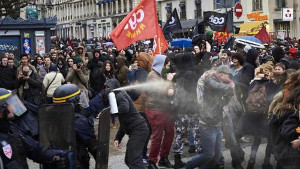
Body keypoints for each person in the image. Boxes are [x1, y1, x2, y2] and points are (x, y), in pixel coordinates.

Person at [0, 88, 68, 169]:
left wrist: (54, 155)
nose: (14, 107)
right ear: (2, 109)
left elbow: (32, 147)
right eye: (9, 104)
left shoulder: (11, 129)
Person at [187, 65, 234, 169]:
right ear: (221, 74)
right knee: (209, 154)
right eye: (228, 76)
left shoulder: (220, 84)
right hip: (207, 124)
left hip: (217, 124)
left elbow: (223, 102)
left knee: (217, 156)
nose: (229, 79)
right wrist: (229, 87)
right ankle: (188, 166)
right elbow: (214, 85)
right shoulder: (210, 79)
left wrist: (229, 94)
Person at [53, 84, 104, 168]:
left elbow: (86, 110)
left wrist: (101, 96)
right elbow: (94, 147)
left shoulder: (51, 115)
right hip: (76, 163)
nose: (81, 101)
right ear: (73, 102)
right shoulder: (78, 122)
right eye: (78, 99)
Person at [104, 78, 149, 169]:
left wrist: (112, 111)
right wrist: (118, 138)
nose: (106, 89)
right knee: (129, 160)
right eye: (105, 87)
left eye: (108, 87)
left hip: (139, 130)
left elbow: (125, 108)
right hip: (137, 130)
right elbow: (123, 123)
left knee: (134, 160)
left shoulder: (120, 94)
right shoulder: (118, 96)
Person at [145, 55, 175, 169]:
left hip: (165, 108)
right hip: (155, 109)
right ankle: (152, 162)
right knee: (157, 136)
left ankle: (163, 157)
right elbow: (160, 91)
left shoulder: (159, 74)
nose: (167, 67)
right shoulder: (152, 75)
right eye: (166, 65)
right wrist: (168, 81)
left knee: (170, 132)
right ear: (160, 64)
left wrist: (171, 87)